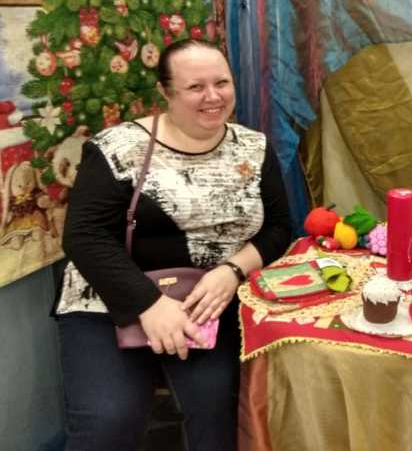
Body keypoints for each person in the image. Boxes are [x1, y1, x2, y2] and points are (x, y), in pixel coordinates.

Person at [53, 39, 292, 451]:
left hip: (207, 303)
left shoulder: (254, 148)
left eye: (222, 83)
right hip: (109, 301)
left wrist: (231, 271)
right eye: (195, 87)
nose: (213, 97)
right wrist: (149, 304)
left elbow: (278, 228)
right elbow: (84, 236)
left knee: (220, 410)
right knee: (110, 418)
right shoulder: (117, 148)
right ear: (165, 92)